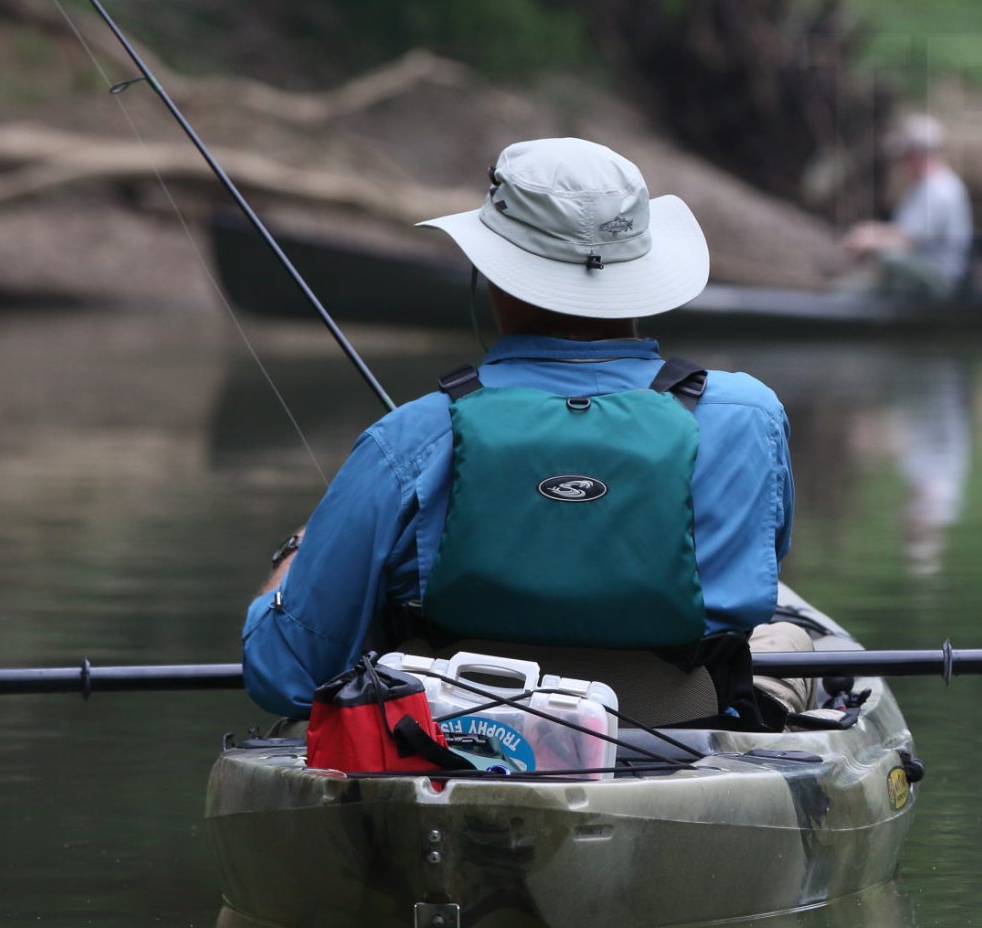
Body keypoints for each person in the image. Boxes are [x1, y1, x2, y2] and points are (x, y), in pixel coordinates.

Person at [242, 138, 814, 720]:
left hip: (449, 741)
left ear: (492, 270)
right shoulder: (747, 417)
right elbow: (761, 559)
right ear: (642, 268)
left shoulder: (409, 436)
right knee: (788, 637)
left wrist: (299, 550)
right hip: (680, 736)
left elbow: (284, 673)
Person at [843, 113, 975, 301]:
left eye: (905, 157)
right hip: (920, 268)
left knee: (891, 259)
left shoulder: (940, 191)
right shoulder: (923, 187)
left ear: (917, 154)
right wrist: (870, 231)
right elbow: (903, 230)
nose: (902, 164)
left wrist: (870, 242)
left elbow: (907, 241)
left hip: (941, 279)